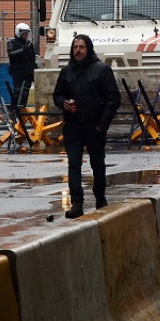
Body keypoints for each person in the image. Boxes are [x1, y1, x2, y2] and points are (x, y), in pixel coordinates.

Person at [53, 34, 121, 218]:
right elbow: (57, 95)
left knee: (97, 164)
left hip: (94, 127)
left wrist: (102, 125)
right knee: (74, 165)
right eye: (75, 47)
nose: (78, 50)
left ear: (88, 49)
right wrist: (63, 103)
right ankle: (77, 203)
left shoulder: (101, 70)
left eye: (81, 47)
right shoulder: (67, 71)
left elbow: (113, 99)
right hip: (73, 127)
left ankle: (100, 197)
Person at [6, 23, 37, 109]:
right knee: (17, 91)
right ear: (19, 33)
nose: (26, 35)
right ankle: (13, 110)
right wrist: (23, 50)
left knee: (25, 92)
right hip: (18, 71)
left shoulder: (29, 44)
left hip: (28, 72)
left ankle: (22, 109)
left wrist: (35, 69)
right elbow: (11, 54)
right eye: (24, 33)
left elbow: (32, 58)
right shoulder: (12, 43)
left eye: (27, 33)